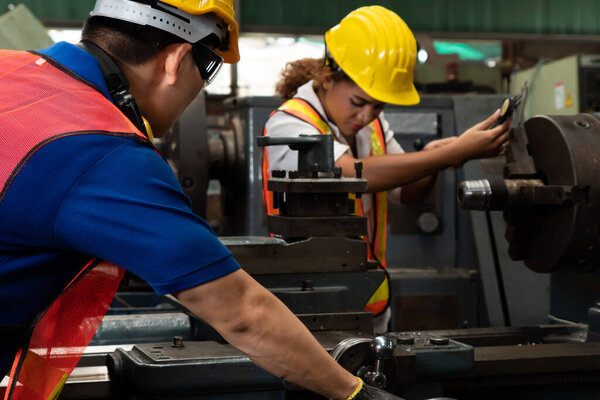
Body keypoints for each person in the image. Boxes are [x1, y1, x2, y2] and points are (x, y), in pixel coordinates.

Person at [0, 1, 401, 399]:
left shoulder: (9, 67)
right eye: (208, 67)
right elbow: (242, 313)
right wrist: (352, 392)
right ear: (176, 59)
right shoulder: (103, 151)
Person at [262, 5, 511, 333]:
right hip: (305, 310)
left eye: (378, 106)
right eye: (358, 102)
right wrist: (448, 155)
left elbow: (406, 193)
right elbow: (349, 173)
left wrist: (438, 158)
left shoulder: (372, 126)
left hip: (369, 306)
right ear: (327, 78)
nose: (366, 116)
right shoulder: (289, 124)